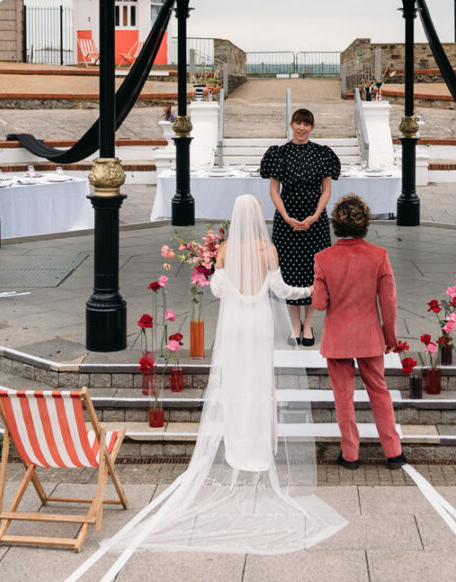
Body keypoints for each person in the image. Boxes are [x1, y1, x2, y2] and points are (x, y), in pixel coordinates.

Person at [118, 194, 346, 555]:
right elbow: (282, 291)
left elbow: (218, 290)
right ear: (257, 216)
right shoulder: (268, 250)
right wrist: (315, 290)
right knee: (260, 383)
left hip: (235, 324)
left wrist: (216, 271)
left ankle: (237, 445)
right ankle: (260, 447)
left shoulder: (224, 251)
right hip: (257, 323)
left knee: (237, 382)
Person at [311, 194, 406, 470]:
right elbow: (388, 303)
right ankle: (393, 451)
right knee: (379, 392)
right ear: (365, 223)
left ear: (335, 225)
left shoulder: (323, 258)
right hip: (369, 336)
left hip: (337, 338)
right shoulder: (379, 256)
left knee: (343, 397)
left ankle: (350, 454)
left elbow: (319, 305)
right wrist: (391, 339)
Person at [260, 107, 340, 345]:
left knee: (313, 273)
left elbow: (327, 189)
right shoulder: (279, 154)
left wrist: (315, 216)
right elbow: (274, 190)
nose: (302, 128)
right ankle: (295, 324)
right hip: (288, 222)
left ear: (312, 127)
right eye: (298, 123)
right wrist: (285, 217)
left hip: (315, 222)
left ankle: (309, 324)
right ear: (292, 125)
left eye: (307, 124)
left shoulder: (322, 154)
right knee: (289, 272)